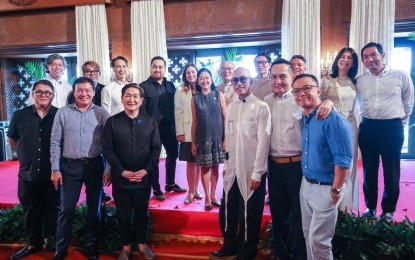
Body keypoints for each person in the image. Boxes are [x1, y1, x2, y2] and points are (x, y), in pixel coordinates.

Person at [210, 67, 271, 260]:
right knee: (228, 210)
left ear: (250, 80)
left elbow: (264, 141)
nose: (238, 83)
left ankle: (246, 252)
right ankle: (230, 246)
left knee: (249, 213)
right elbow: (229, 139)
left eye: (242, 79)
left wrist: (258, 172)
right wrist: (227, 165)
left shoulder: (261, 107)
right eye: (235, 80)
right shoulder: (232, 107)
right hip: (232, 168)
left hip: (250, 168)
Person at [292, 74, 353, 260]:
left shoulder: (333, 119)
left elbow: (343, 160)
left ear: (318, 90)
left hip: (326, 188)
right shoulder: (306, 117)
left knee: (320, 243)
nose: (301, 94)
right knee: (308, 236)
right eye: (296, 91)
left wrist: (335, 190)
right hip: (307, 185)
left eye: (306, 88)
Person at [50, 77, 111, 260]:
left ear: (93, 92)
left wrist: (108, 168)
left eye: (87, 90)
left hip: (95, 166)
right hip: (69, 167)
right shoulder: (63, 112)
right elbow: (55, 142)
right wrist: (55, 168)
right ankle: (61, 247)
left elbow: (109, 144)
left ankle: (90, 243)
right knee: (67, 208)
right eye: (80, 90)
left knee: (94, 207)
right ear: (74, 92)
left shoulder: (102, 113)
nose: (84, 94)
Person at [356, 42, 414, 221]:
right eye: (365, 57)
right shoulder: (360, 80)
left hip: (391, 127)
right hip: (368, 128)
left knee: (391, 171)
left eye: (373, 55)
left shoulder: (400, 75)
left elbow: (408, 100)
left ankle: (388, 210)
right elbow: (356, 102)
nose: (370, 59)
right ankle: (370, 207)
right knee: (369, 171)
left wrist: (400, 121)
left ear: (383, 55)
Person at [104, 83, 161, 260]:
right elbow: (108, 150)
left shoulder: (150, 121)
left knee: (142, 214)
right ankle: (126, 247)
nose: (131, 99)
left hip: (143, 178)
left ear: (141, 100)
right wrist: (121, 171)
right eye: (127, 95)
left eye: (136, 96)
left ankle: (142, 245)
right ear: (122, 99)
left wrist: (146, 170)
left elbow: (156, 148)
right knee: (123, 215)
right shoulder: (112, 122)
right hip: (121, 179)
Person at [8, 80, 60, 260]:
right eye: (39, 92)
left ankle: (52, 239)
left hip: (52, 171)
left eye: (48, 92)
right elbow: (13, 139)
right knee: (30, 208)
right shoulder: (20, 115)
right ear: (33, 93)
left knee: (52, 206)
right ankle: (33, 242)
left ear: (53, 96)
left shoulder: (59, 115)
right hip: (28, 170)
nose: (43, 95)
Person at [264, 59, 307, 260]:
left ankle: (299, 255)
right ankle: (282, 254)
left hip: (297, 165)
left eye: (283, 76)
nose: (278, 81)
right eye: (274, 76)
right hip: (273, 166)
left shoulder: (301, 99)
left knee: (298, 213)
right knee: (278, 213)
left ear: (292, 77)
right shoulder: (266, 101)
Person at [140, 56, 186, 201]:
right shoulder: (143, 86)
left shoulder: (171, 85)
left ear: (165, 69)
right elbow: (141, 111)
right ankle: (156, 187)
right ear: (150, 68)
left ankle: (170, 183)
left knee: (173, 155)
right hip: (152, 129)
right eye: (155, 66)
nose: (157, 69)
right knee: (154, 159)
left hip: (170, 127)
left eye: (160, 67)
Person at [321, 47, 359, 211]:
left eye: (349, 57)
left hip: (351, 126)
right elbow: (319, 103)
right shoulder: (327, 80)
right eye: (342, 56)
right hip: (333, 126)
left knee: (349, 165)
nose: (345, 59)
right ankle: (330, 203)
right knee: (332, 163)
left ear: (353, 63)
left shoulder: (356, 82)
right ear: (337, 60)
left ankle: (345, 206)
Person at [191, 68, 226, 211]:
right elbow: (194, 121)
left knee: (215, 168)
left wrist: (226, 139)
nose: (204, 81)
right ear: (198, 81)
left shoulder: (219, 94)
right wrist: (193, 142)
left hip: (217, 137)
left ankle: (213, 195)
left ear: (211, 79)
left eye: (207, 78)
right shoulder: (194, 98)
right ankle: (206, 197)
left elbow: (225, 117)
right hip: (202, 138)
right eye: (201, 78)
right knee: (204, 168)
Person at [175, 64, 203, 204]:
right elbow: (178, 111)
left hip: (202, 131)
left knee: (199, 162)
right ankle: (190, 191)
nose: (191, 75)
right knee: (190, 162)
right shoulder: (181, 90)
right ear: (184, 76)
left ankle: (197, 189)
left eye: (193, 72)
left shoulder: (202, 88)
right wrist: (179, 131)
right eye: (188, 73)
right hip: (187, 130)